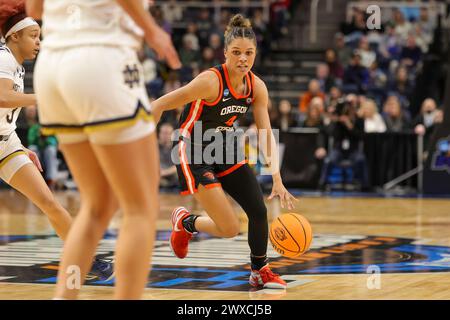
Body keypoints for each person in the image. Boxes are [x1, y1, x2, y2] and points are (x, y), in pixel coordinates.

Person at [27, 0, 180, 300]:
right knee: (140, 208)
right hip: (100, 60)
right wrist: (151, 30)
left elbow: (34, 9)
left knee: (98, 207)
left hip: (51, 67)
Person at [152, 14, 297, 289]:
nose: (243, 58)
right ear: (226, 53)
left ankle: (259, 271)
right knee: (229, 228)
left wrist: (276, 177)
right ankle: (186, 222)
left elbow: (266, 132)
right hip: (192, 148)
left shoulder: (257, 87)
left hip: (224, 145)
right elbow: (161, 104)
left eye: (249, 53)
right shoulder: (210, 81)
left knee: (257, 210)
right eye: (237, 52)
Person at [0, 1, 113, 279]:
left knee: (50, 203)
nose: (39, 42)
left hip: (6, 143)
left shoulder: (17, 66)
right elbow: (2, 97)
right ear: (14, 36)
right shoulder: (2, 56)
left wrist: (21, 147)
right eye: (34, 36)